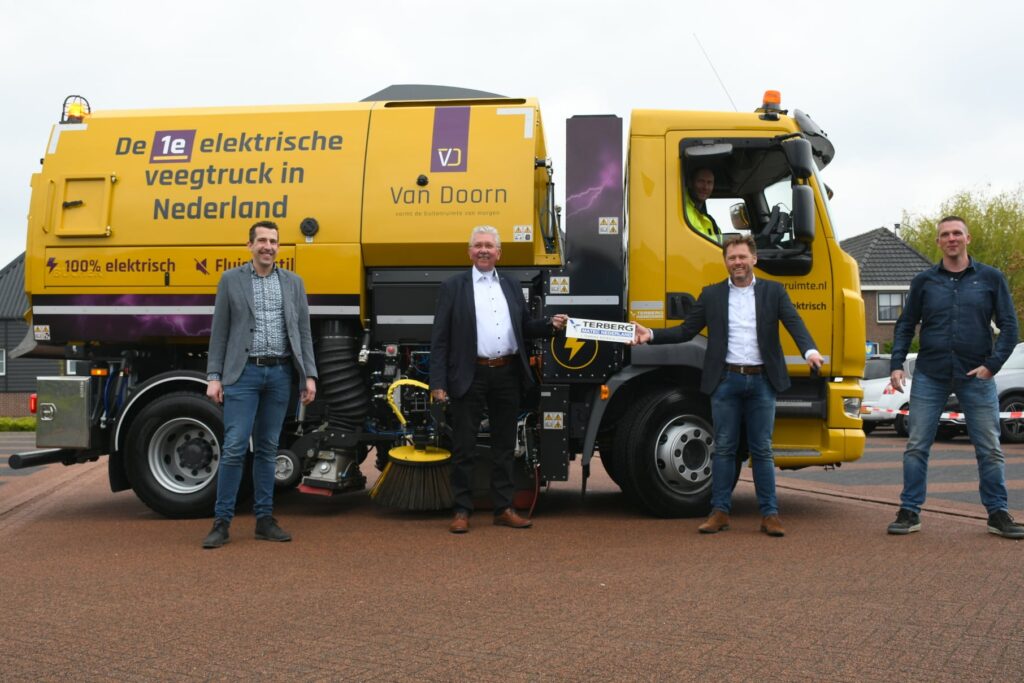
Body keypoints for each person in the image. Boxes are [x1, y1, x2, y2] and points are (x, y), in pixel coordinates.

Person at [633, 234, 822, 536]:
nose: (737, 262)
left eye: (742, 257)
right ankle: (719, 512)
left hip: (762, 381)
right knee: (723, 449)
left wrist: (809, 351)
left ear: (754, 259)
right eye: (732, 258)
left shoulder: (774, 292)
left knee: (762, 450)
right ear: (725, 262)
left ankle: (770, 515)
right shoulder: (712, 295)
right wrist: (651, 335)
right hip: (726, 382)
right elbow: (686, 330)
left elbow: (794, 323)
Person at [886, 216, 1023, 539]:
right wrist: (896, 363)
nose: (951, 238)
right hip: (930, 374)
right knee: (916, 445)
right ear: (938, 242)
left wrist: (993, 365)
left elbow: (1009, 326)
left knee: (989, 447)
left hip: (976, 376)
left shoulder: (991, 278)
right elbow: (905, 325)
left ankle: (997, 513)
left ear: (967, 238)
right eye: (945, 234)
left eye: (957, 233)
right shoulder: (924, 281)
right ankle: (909, 510)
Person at [430, 226, 567, 534]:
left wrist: (550, 325)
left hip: (507, 373)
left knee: (504, 446)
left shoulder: (511, 284)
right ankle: (461, 510)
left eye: (489, 246)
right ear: (469, 252)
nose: (483, 250)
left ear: (499, 253)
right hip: (469, 374)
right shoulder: (453, 286)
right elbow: (439, 338)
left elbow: (524, 327)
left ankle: (503, 509)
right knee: (464, 447)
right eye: (478, 245)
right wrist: (438, 383)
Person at [202, 220, 317, 549]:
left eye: (273, 241)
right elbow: (220, 331)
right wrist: (213, 376)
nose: (268, 246)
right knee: (235, 447)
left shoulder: (293, 283)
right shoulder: (231, 280)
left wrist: (308, 375)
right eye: (262, 241)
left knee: (268, 449)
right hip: (243, 375)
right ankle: (221, 523)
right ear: (250, 245)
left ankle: (264, 520)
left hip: (280, 375)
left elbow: (303, 333)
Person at [684, 167, 722, 242]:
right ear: (690, 183)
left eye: (709, 182)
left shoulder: (710, 220)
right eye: (701, 181)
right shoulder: (681, 210)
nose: (705, 187)